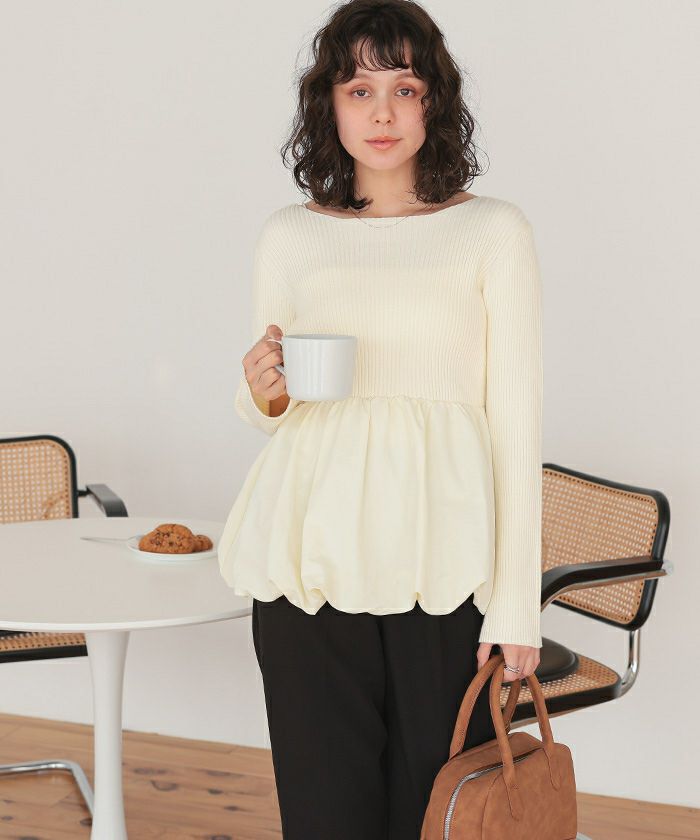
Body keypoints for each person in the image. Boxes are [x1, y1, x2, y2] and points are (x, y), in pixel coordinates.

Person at [218, 0, 543, 837]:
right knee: (324, 817)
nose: (383, 113)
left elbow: (515, 424)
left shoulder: (492, 232)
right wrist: (264, 390)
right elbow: (274, 413)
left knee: (435, 819)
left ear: (435, 100)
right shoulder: (290, 236)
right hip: (310, 567)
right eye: (358, 90)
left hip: (442, 572)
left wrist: (516, 606)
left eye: (404, 87)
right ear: (328, 105)